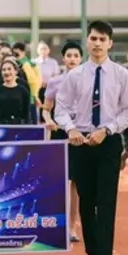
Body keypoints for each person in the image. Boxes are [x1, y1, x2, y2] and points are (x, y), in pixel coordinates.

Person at [54, 21, 128, 255]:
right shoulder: (74, 75)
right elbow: (61, 108)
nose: (98, 43)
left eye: (103, 39)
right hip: (80, 143)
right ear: (87, 41)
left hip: (108, 142)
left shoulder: (121, 75)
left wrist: (108, 129)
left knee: (107, 201)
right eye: (93, 38)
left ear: (110, 43)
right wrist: (71, 129)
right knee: (87, 202)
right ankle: (92, 253)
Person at [42, 41, 83, 243]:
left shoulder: (88, 81)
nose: (72, 59)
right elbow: (46, 108)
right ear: (63, 59)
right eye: (69, 55)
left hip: (80, 132)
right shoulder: (55, 82)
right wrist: (48, 120)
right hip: (60, 132)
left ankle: (72, 227)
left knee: (76, 182)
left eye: (76, 55)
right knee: (59, 181)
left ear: (81, 59)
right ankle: (55, 224)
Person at [0, 57, 31, 125]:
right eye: (4, 70)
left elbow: (26, 114)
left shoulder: (23, 91)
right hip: (0, 126)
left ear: (16, 71)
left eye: (9, 69)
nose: (6, 72)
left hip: (18, 126)